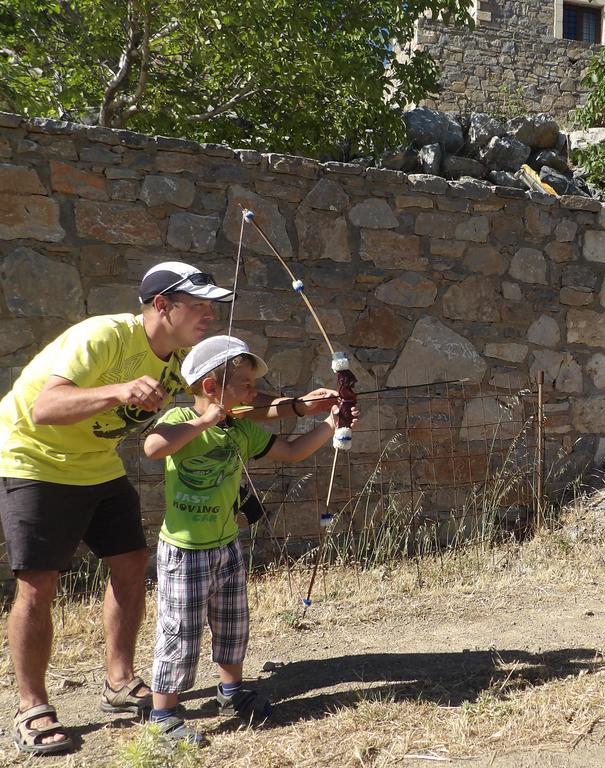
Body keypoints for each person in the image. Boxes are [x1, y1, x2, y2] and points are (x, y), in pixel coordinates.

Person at [0, 262, 335, 755]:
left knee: (131, 564)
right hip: (34, 460)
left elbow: (232, 399)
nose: (208, 315)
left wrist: (297, 407)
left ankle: (118, 681)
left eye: (210, 306)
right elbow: (44, 408)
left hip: (97, 464)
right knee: (38, 583)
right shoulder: (102, 336)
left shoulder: (179, 358)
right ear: (162, 305)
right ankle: (32, 706)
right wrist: (118, 390)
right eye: (198, 306)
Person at [143, 335, 351, 745]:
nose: (253, 394)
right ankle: (163, 713)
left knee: (232, 625)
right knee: (179, 632)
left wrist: (330, 423)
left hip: (226, 546)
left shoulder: (240, 429)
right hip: (184, 553)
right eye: (244, 385)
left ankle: (231, 692)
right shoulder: (181, 420)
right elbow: (152, 447)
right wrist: (203, 422)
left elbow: (290, 450)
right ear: (209, 388)